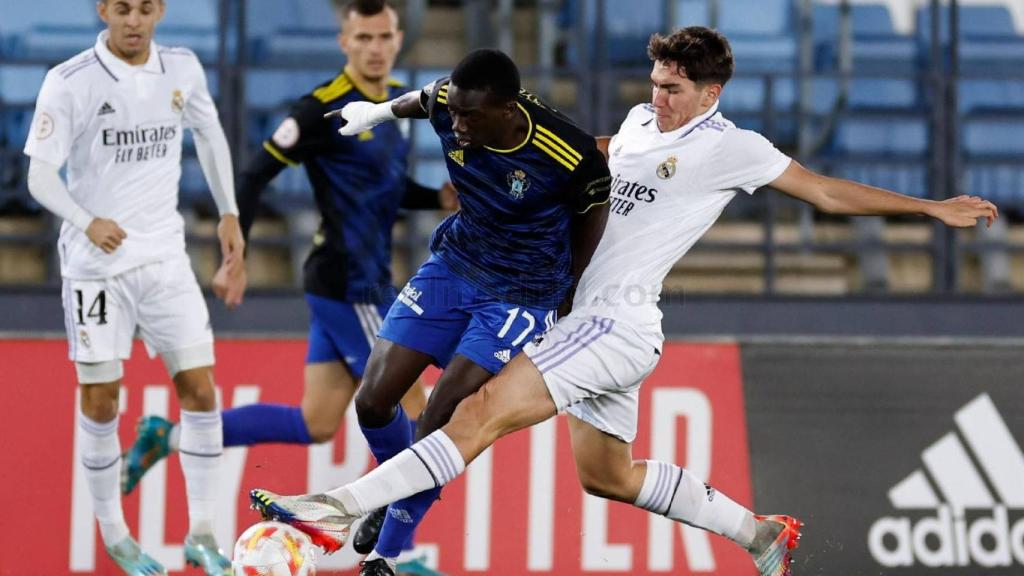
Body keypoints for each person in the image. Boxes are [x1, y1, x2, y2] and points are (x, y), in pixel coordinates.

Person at [247, 26, 1000, 576]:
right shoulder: (641, 124)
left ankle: (342, 506)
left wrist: (931, 209)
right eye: (655, 82)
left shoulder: (735, 147)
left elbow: (829, 193)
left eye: (674, 88)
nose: (659, 98)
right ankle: (760, 533)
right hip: (598, 322)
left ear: (712, 93)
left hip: (614, 318)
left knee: (474, 411)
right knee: (605, 474)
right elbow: (591, 157)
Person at [118, 1, 452, 574]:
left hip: (351, 281)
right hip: (353, 285)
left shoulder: (395, 101)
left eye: (384, 36)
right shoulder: (320, 108)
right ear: (344, 41)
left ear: (398, 40)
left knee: (316, 422)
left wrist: (434, 197)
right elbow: (253, 174)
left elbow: (385, 190)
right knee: (416, 410)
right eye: (363, 36)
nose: (375, 46)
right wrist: (236, 251)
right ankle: (402, 554)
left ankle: (168, 435)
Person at [321, 48, 611, 575]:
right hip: (454, 266)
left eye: (467, 115)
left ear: (505, 110)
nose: (454, 124)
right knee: (372, 401)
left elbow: (594, 211)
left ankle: (384, 554)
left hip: (521, 292)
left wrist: (572, 286)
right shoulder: (449, 103)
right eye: (452, 111)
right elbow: (422, 98)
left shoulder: (565, 151)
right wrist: (376, 112)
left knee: (440, 416)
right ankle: (394, 492)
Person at [23, 0, 250, 574]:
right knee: (102, 400)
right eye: (122, 8)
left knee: (201, 390)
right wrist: (85, 220)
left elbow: (210, 133)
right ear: (103, 10)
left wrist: (228, 213)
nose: (133, 20)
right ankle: (115, 533)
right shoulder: (69, 81)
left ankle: (202, 532)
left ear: (160, 12)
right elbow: (40, 175)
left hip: (165, 259)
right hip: (96, 268)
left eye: (145, 9)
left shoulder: (182, 68)